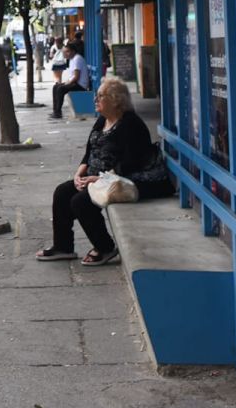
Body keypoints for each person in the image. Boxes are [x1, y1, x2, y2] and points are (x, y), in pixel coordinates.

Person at [36, 77, 157, 266]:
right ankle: (63, 246)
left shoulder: (130, 124)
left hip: (123, 179)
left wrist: (99, 178)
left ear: (116, 100)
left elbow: (132, 162)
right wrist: (79, 173)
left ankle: (105, 247)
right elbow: (89, 151)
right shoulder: (102, 120)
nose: (95, 99)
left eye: (101, 96)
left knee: (81, 201)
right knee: (62, 192)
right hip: (97, 176)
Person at [50, 39, 89, 120]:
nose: (65, 54)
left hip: (80, 85)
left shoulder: (77, 59)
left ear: (73, 51)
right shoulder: (72, 59)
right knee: (55, 87)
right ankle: (55, 111)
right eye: (64, 52)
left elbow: (76, 77)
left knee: (60, 89)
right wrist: (66, 82)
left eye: (67, 52)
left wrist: (67, 83)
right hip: (75, 82)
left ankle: (57, 112)